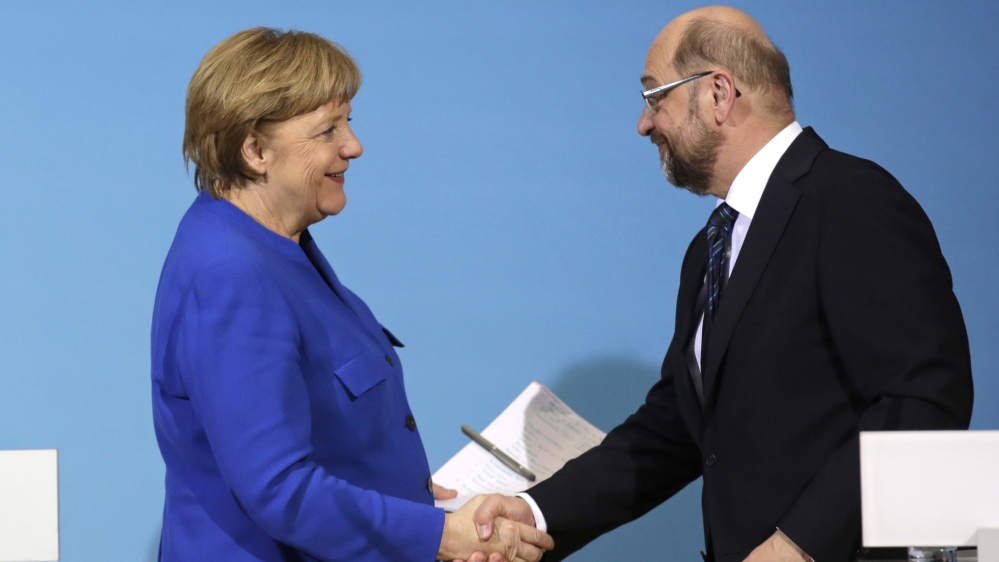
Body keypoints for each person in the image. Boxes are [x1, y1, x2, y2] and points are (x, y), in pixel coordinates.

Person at [469, 6, 974, 562]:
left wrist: (800, 544)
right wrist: (537, 513)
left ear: (717, 93)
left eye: (653, 96)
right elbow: (675, 431)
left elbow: (922, 399)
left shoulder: (851, 200)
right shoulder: (709, 248)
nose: (643, 123)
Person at [150, 27, 553, 562]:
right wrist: (442, 537)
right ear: (254, 150)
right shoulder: (233, 271)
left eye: (349, 122)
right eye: (326, 130)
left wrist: (401, 496)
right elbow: (278, 490)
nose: (353, 147)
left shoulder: (272, 243)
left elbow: (311, 425)